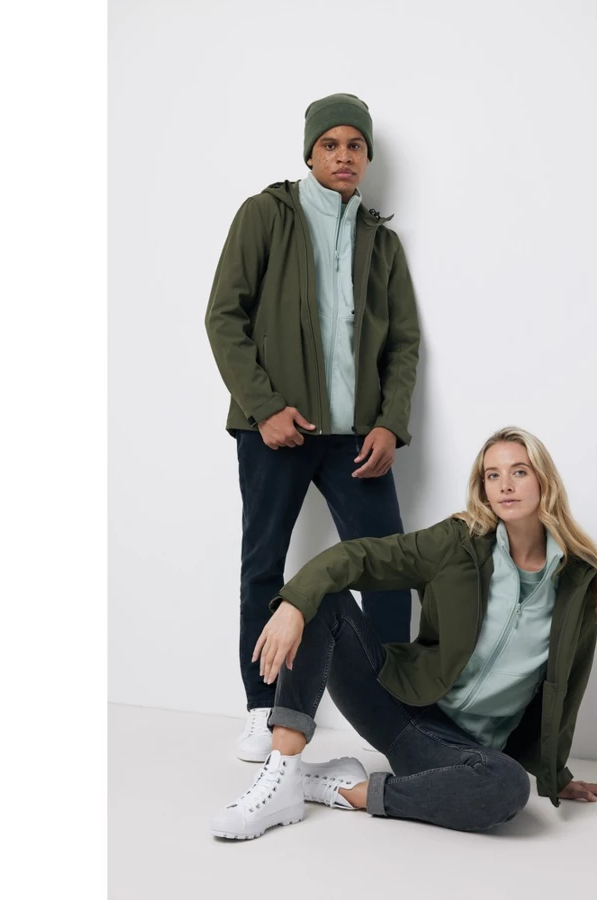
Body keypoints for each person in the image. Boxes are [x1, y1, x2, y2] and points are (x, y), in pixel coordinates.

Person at [209, 427, 597, 839]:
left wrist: (555, 775)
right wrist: (294, 604)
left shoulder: (577, 584)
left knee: (508, 786)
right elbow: (361, 556)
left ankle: (345, 791)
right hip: (397, 703)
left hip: (456, 749)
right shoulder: (459, 543)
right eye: (492, 475)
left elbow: (566, 688)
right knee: (323, 597)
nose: (505, 486)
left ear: (544, 480)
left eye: (519, 472)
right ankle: (283, 773)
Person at [205, 93, 420, 763]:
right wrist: (264, 407)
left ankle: (396, 711)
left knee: (388, 567)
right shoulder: (266, 215)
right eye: (331, 144)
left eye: (356, 145)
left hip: (357, 439)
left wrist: (389, 424)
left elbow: (403, 343)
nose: (344, 155)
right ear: (310, 152)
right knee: (263, 566)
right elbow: (224, 317)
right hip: (276, 430)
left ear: (368, 157)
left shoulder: (381, 242)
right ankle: (262, 707)